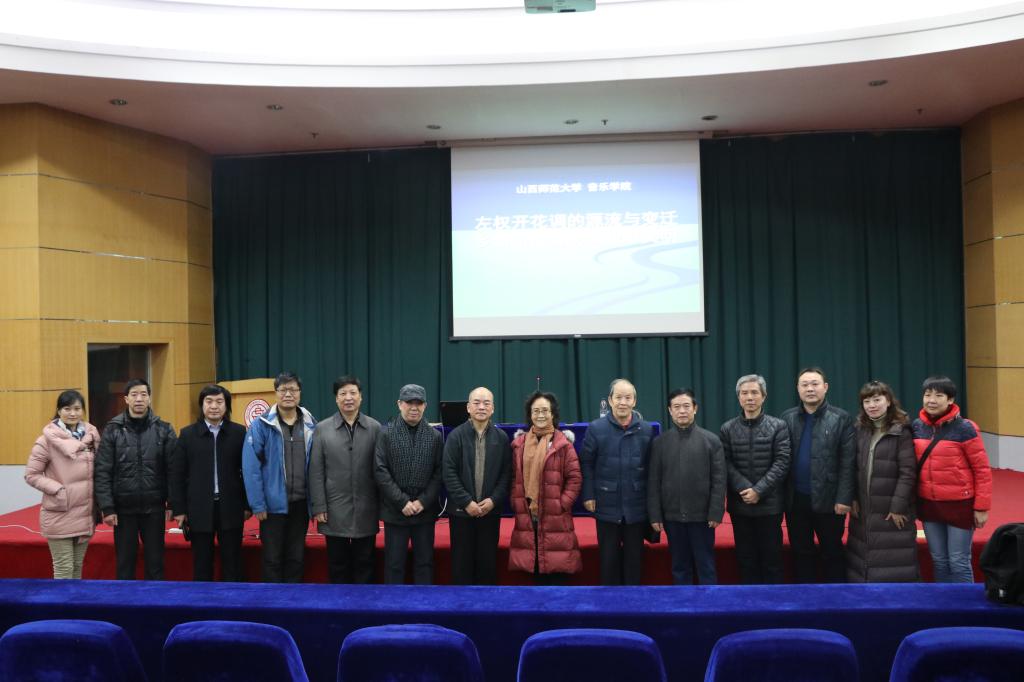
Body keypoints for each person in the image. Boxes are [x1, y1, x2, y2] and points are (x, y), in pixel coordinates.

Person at [94, 379, 177, 580]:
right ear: (126, 399)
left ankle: (155, 599)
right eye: (134, 395)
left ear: (149, 398)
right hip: (123, 511)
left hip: (154, 509)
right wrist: (107, 507)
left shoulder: (164, 429)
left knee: (155, 564)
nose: (139, 399)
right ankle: (124, 599)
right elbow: (103, 470)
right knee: (125, 564)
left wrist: (173, 503)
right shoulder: (113, 429)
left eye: (143, 394)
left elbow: (173, 470)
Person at [912, 376, 993, 583]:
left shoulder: (965, 428)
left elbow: (982, 470)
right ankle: (944, 601)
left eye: (939, 395)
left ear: (950, 400)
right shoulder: (917, 426)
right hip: (929, 504)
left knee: (958, 561)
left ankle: (964, 603)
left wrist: (982, 507)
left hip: (959, 504)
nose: (931, 400)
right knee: (939, 560)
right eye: (927, 395)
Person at [780, 367, 856, 583]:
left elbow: (848, 462)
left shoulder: (841, 418)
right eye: (804, 385)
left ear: (825, 387)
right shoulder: (787, 418)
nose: (810, 389)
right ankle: (806, 597)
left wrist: (844, 498)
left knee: (832, 552)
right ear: (798, 389)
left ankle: (836, 597)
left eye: (815, 384)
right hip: (796, 500)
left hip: (830, 500)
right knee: (801, 552)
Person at [242, 371, 317, 583]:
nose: (288, 394)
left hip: (301, 504)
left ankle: (293, 600)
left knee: (296, 558)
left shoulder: (311, 424)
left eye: (293, 389)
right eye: (283, 389)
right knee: (272, 559)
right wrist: (257, 504)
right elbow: (251, 468)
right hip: (271, 507)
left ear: (300, 393)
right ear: (275, 393)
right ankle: (272, 600)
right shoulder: (261, 425)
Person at [170, 384, 249, 582]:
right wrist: (179, 509)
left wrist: (248, 505)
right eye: (209, 401)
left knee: (233, 563)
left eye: (219, 401)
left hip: (231, 506)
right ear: (201, 405)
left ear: (227, 405)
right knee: (202, 563)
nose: (214, 406)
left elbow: (249, 472)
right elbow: (177, 474)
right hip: (199, 508)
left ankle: (232, 599)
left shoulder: (239, 433)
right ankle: (203, 599)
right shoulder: (187, 435)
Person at [581, 378, 656, 585]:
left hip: (636, 506)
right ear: (610, 400)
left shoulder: (646, 429)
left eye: (628, 398)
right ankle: (609, 602)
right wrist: (588, 494)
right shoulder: (596, 428)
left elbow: (651, 469)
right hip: (606, 503)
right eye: (618, 397)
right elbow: (586, 463)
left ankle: (632, 601)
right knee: (608, 562)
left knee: (634, 562)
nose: (623, 402)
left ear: (634, 401)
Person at [648, 388, 726, 585]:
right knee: (679, 567)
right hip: (672, 518)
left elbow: (719, 480)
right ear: (669, 410)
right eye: (676, 407)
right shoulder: (660, 443)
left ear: (695, 408)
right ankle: (684, 602)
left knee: (706, 565)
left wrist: (716, 512)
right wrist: (655, 515)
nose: (682, 411)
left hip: (703, 518)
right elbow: (653, 481)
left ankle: (710, 603)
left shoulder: (711, 441)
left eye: (686, 406)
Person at [309, 376, 382, 584]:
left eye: (353, 393)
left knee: (365, 562)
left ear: (361, 397)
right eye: (343, 393)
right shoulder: (322, 429)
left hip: (366, 507)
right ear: (336, 399)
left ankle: (364, 602)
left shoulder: (375, 428)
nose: (348, 398)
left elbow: (381, 470)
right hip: (334, 508)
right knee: (337, 563)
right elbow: (316, 470)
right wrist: (319, 506)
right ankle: (339, 601)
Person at [720, 374, 791, 584]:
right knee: (746, 560)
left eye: (754, 392)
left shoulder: (778, 426)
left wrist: (759, 490)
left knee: (772, 560)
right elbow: (725, 462)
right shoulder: (727, 428)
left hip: (770, 506)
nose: (749, 397)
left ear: (764, 396)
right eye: (744, 393)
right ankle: (749, 601)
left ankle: (774, 602)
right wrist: (745, 489)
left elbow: (782, 461)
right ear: (739, 397)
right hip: (740, 505)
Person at [846, 380, 919, 582]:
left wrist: (897, 506)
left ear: (888, 401)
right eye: (867, 401)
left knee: (894, 560)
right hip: (863, 508)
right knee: (863, 556)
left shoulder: (901, 431)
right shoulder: (860, 429)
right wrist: (853, 497)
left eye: (877, 400)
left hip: (891, 509)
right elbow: (853, 467)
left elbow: (908, 472)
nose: (872, 405)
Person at [25, 390, 101, 579]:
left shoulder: (92, 437)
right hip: (59, 512)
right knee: (64, 569)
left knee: (77, 567)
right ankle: (61, 600)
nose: (72, 413)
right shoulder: (46, 441)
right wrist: (58, 489)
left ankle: (74, 600)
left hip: (85, 513)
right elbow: (31, 474)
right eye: (67, 409)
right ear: (59, 411)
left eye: (77, 408)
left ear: (83, 410)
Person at [509, 391, 582, 585]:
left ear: (552, 414)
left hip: (555, 517)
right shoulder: (519, 445)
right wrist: (516, 501)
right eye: (536, 411)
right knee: (534, 571)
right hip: (528, 517)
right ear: (530, 414)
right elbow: (513, 478)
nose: (540, 415)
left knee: (557, 575)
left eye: (545, 410)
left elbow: (574, 478)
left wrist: (561, 504)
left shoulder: (563, 444)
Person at [442, 386, 512, 585]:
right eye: (477, 403)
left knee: (487, 565)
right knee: (461, 566)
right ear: (468, 408)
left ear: (493, 408)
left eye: (486, 403)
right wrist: (467, 502)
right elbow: (449, 473)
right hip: (461, 513)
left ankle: (487, 603)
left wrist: (493, 501)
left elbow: (506, 474)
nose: (481, 407)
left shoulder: (501, 438)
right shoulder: (455, 436)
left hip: (490, 513)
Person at [374, 384, 443, 585]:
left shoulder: (434, 436)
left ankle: (424, 602)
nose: (414, 407)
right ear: (399, 404)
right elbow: (380, 470)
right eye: (408, 402)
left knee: (425, 563)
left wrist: (423, 501)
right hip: (395, 511)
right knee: (394, 565)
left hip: (424, 512)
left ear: (425, 406)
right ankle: (393, 603)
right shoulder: (386, 434)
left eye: (418, 403)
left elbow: (439, 472)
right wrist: (402, 501)